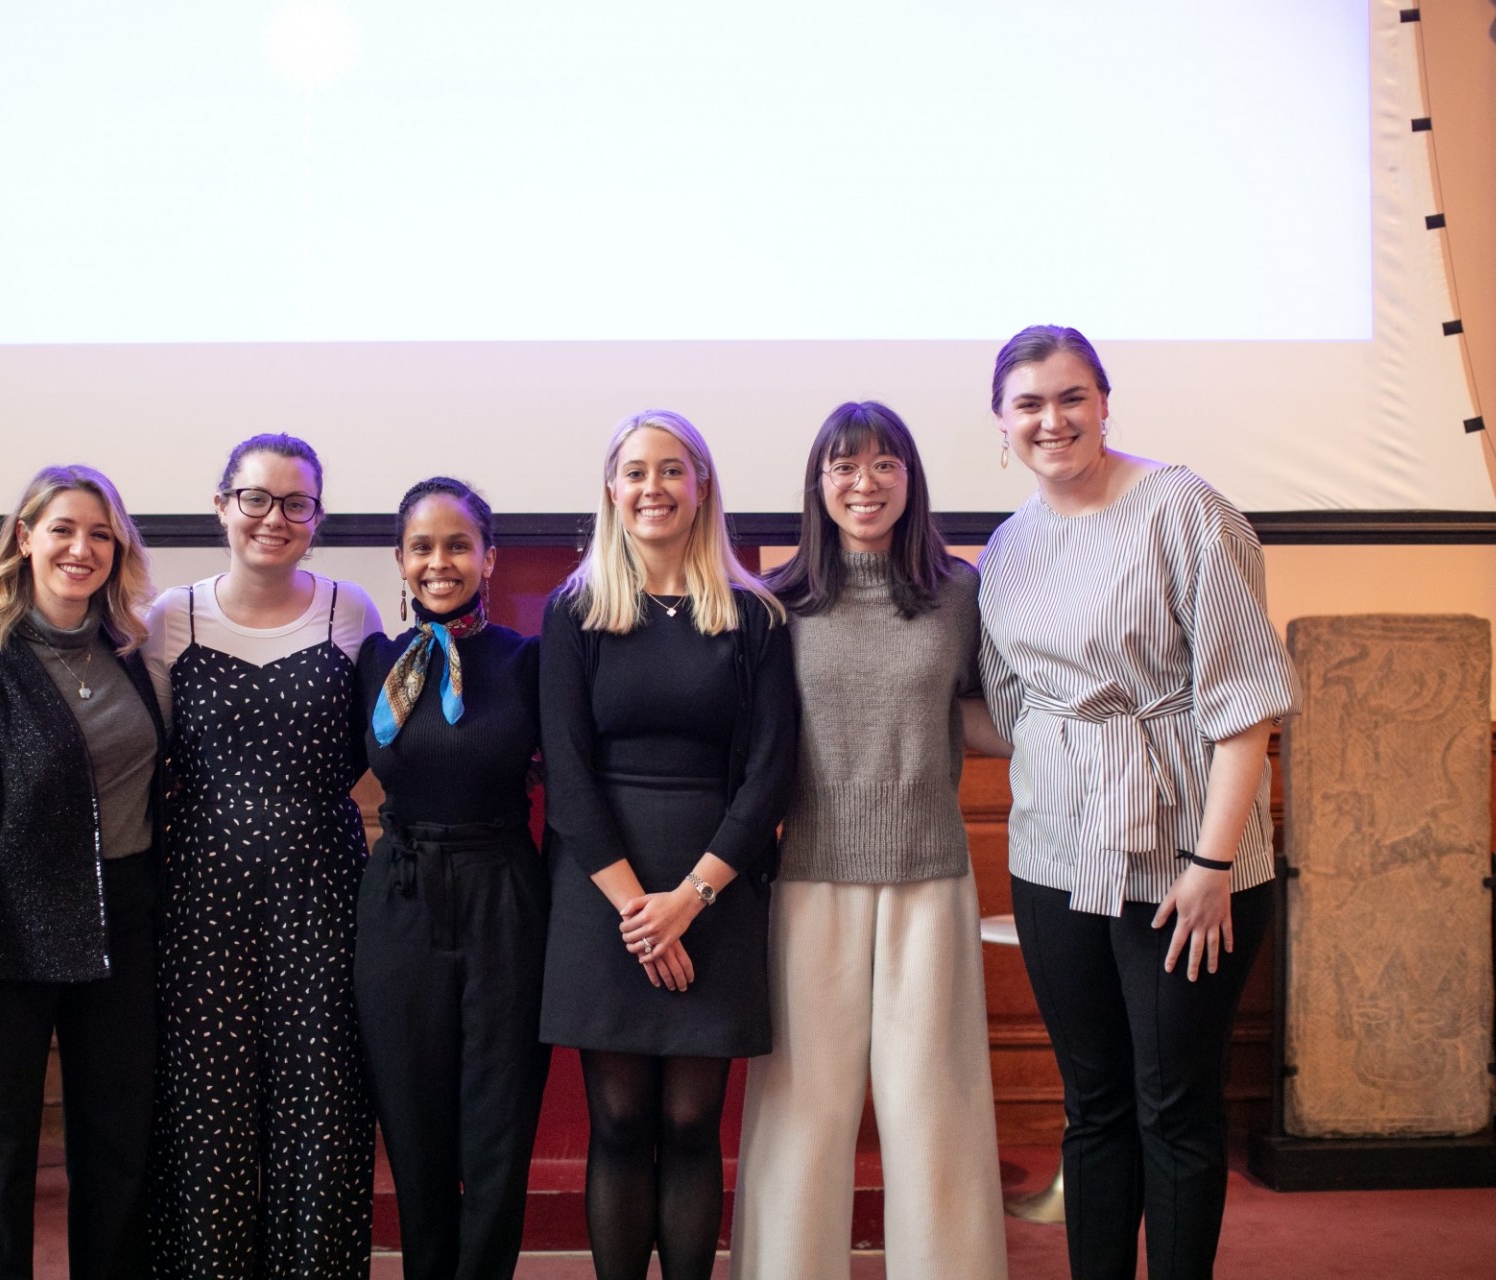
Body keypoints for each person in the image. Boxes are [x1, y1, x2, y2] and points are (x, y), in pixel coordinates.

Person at [977, 326, 1297, 1280]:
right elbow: (1010, 709)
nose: (1052, 420)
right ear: (1002, 423)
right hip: (1053, 857)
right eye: (1029, 404)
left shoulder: (1186, 509)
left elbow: (1243, 705)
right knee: (1096, 1106)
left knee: (1174, 1105)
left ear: (1105, 403)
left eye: (1071, 397)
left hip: (1185, 861)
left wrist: (1210, 868)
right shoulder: (1007, 547)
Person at [729, 402, 1010, 1280]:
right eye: (845, 467)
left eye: (885, 465)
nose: (865, 483)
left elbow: (992, 712)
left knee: (935, 1103)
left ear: (910, 479)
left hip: (931, 867)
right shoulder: (777, 602)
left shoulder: (959, 591)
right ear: (818, 485)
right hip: (809, 869)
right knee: (802, 1106)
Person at [538, 410, 798, 1280]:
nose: (654, 487)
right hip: (600, 890)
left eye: (673, 470)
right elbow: (567, 777)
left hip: (714, 887)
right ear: (612, 491)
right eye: (636, 472)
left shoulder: (755, 617)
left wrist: (689, 901)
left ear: (702, 488)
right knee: (616, 1122)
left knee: (691, 1125)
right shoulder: (573, 612)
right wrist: (638, 913)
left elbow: (769, 775)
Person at [0, 464, 163, 1280]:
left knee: (118, 1148)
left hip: (124, 928)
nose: (81, 548)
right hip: (9, 946)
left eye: (100, 533)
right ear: (25, 539)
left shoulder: (130, 656)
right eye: (62, 529)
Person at [144, 433, 382, 1279]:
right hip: (201, 896)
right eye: (256, 498)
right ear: (222, 504)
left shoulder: (350, 611)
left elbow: (373, 748)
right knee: (208, 1113)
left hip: (324, 890)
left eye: (295, 503)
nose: (274, 518)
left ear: (316, 517)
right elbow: (153, 754)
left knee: (323, 1111)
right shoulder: (167, 618)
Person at [353, 477, 551, 1280]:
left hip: (505, 895)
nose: (441, 563)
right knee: (414, 1128)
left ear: (489, 557)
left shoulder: (527, 660)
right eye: (423, 548)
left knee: (499, 1132)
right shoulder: (372, 660)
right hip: (399, 898)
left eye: (459, 545)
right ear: (400, 561)